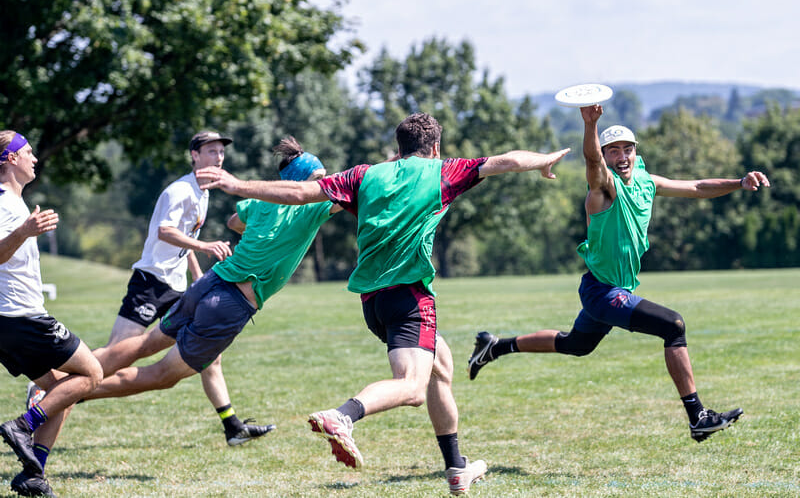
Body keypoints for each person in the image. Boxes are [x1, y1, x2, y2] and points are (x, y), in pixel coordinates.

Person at [196, 112, 571, 495]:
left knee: (441, 365)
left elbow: (297, 194)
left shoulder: (364, 175)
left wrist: (236, 184)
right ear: (435, 148)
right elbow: (505, 161)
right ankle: (343, 416)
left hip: (373, 302)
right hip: (410, 296)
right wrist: (543, 160)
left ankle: (457, 467)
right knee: (411, 387)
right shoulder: (443, 171)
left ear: (398, 148)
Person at [468, 105, 770, 443]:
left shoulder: (646, 181)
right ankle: (697, 416)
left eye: (627, 149)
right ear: (606, 156)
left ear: (636, 151)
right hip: (603, 292)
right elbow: (593, 165)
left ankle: (494, 347)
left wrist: (739, 182)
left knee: (576, 344)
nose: (622, 156)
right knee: (673, 325)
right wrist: (590, 125)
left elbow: (698, 187)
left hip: (610, 289)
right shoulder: (604, 189)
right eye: (614, 151)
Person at [85, 139, 341, 442]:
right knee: (162, 375)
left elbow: (235, 221)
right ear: (299, 182)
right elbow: (357, 190)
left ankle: (63, 381)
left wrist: (264, 235)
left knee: (146, 344)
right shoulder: (311, 209)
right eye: (318, 178)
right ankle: (66, 392)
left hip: (207, 283)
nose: (326, 183)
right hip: (227, 303)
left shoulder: (259, 202)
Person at [0, 130, 104, 497]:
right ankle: (22, 426)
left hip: (14, 319)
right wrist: (25, 231)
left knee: (61, 390)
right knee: (92, 373)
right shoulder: (3, 205)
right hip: (19, 317)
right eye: (28, 152)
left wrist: (27, 228)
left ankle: (33, 473)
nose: (35, 158)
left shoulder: (14, 203)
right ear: (10, 159)